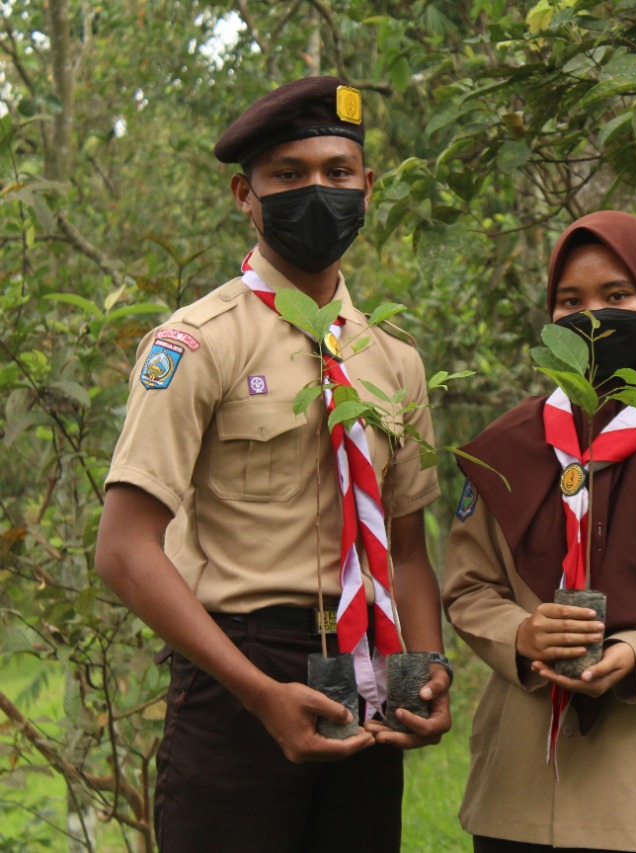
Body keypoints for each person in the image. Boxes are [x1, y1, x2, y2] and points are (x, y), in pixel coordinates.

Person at [95, 76, 452, 852]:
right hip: (238, 672)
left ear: (368, 187)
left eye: (336, 172)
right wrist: (258, 692)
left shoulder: (393, 360)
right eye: (288, 175)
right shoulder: (195, 344)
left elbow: (410, 547)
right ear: (244, 195)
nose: (316, 192)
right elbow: (124, 549)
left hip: (365, 671)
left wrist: (424, 667)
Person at [443, 210, 636, 853]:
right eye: (571, 301)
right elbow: (468, 589)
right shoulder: (505, 447)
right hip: (520, 784)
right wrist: (523, 634)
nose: (592, 316)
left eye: (617, 296)